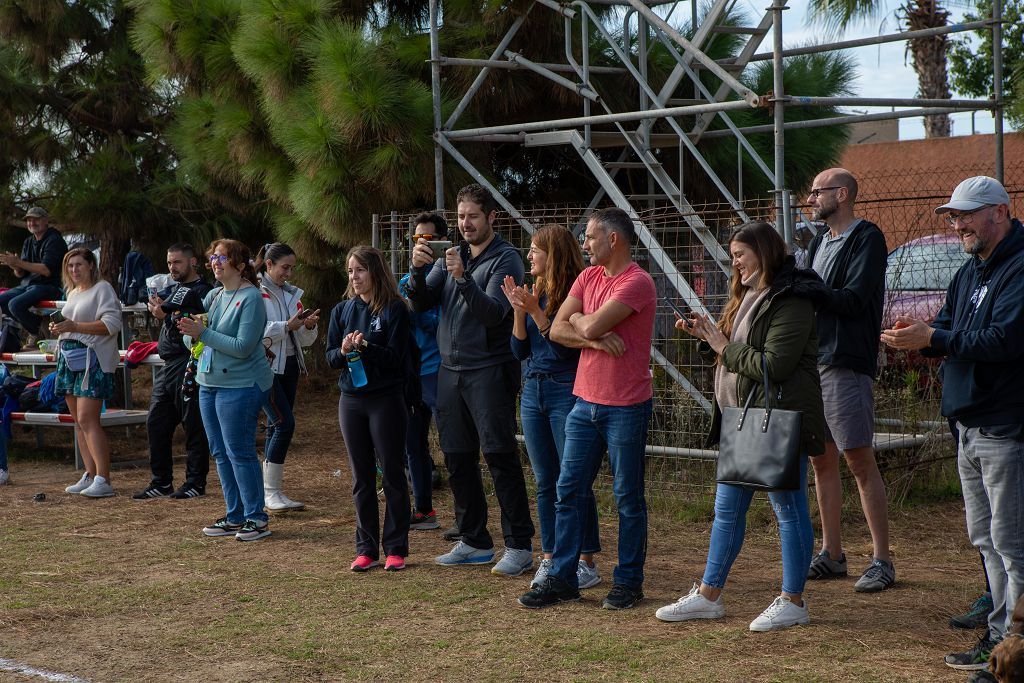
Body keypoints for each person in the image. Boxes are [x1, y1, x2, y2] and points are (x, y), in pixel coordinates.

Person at [880, 176, 1024, 676]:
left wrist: (938, 336)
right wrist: (914, 338)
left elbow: (1004, 340)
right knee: (984, 537)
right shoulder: (969, 272)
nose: (957, 223)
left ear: (1000, 212)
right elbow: (947, 326)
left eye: (966, 214)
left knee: (1011, 541)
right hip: (966, 423)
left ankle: (1013, 649)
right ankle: (998, 636)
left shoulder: (1020, 267)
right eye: (953, 216)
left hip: (1005, 424)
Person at [653, 222, 826, 631]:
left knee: (788, 509)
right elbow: (736, 349)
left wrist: (721, 346)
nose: (734, 263)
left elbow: (773, 365)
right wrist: (707, 336)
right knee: (726, 511)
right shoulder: (747, 294)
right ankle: (709, 595)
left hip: (776, 419)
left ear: (762, 253)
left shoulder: (792, 300)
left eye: (739, 254)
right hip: (742, 420)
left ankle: (793, 600)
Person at [517, 207, 655, 611]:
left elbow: (583, 324)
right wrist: (591, 336)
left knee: (627, 496)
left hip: (626, 405)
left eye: (591, 237)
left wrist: (580, 320)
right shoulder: (587, 276)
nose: (585, 244)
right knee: (567, 490)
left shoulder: (637, 282)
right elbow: (557, 331)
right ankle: (562, 577)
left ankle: (628, 582)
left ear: (614, 239)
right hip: (584, 401)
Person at [406, 184, 535, 577]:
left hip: (490, 369)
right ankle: (475, 540)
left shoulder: (505, 259)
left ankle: (519, 545)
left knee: (499, 454)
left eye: (473, 216)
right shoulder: (453, 255)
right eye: (461, 216)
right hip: (449, 370)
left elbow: (495, 314)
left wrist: (463, 279)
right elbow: (420, 301)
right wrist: (416, 268)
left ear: (491, 217)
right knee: (457, 455)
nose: (465, 224)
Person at [804, 167, 894, 593]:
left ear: (841, 195)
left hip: (845, 362)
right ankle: (832, 553)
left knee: (858, 459)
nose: (810, 199)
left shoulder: (868, 238)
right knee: (820, 459)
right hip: (815, 360)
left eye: (817, 192)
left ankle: (882, 560)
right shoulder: (819, 241)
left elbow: (855, 299)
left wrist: (804, 288)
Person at [501, 224, 602, 590]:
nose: (528, 257)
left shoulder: (575, 292)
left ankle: (586, 560)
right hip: (533, 392)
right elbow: (519, 352)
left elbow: (564, 347)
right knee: (545, 481)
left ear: (553, 254)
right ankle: (552, 556)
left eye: (534, 250)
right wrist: (518, 311)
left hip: (565, 391)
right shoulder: (536, 291)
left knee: (572, 481)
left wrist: (537, 314)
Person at [179, 239, 273, 542]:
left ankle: (256, 518)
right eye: (213, 258)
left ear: (240, 265)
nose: (215, 263)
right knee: (220, 452)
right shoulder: (214, 296)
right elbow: (197, 341)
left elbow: (244, 347)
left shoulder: (252, 298)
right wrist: (188, 332)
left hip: (242, 384)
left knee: (240, 451)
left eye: (222, 258)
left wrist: (202, 332)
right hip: (209, 383)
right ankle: (235, 515)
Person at [327, 246, 412, 572]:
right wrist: (345, 349)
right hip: (351, 401)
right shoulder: (342, 311)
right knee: (361, 476)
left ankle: (395, 547)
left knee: (391, 473)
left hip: (386, 399)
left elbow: (396, 361)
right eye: (350, 271)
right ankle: (366, 548)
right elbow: (330, 357)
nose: (355, 277)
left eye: (360, 270)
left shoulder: (395, 310)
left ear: (375, 272)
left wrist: (366, 346)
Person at [132, 243, 214, 500]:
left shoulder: (202, 291)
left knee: (193, 424)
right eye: (169, 263)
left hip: (188, 362)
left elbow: (184, 321)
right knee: (156, 421)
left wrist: (162, 314)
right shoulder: (175, 290)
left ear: (193, 262)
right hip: (167, 364)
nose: (172, 267)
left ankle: (195, 482)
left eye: (177, 262)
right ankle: (161, 481)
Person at [53, 248, 123, 498]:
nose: (74, 270)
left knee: (88, 419)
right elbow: (72, 324)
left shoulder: (102, 289)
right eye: (70, 265)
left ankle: (104, 478)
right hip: (70, 360)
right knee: (78, 421)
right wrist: (61, 327)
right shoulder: (72, 292)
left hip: (93, 361)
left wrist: (74, 325)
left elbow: (112, 325)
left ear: (91, 265)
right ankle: (90, 473)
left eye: (79, 264)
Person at [256, 242, 319, 512]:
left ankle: (272, 490)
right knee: (284, 424)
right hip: (265, 368)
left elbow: (302, 339)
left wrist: (308, 327)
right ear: (268, 265)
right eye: (284, 267)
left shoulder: (292, 294)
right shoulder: (255, 293)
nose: (289, 274)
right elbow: (256, 333)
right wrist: (286, 326)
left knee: (276, 425)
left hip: (291, 365)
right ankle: (269, 492)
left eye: (292, 268)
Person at [399, 212, 445, 531]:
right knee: (412, 443)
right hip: (413, 373)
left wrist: (415, 310)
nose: (421, 245)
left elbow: (440, 323)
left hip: (441, 371)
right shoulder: (406, 280)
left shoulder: (448, 276)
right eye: (417, 239)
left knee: (453, 443)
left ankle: (469, 519)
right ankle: (424, 509)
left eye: (428, 239)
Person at [0, 207, 69, 349]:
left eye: (36, 219)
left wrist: (18, 262)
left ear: (46, 221)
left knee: (15, 304)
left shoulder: (54, 240)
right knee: (2, 301)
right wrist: (15, 266)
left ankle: (38, 332)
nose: (32, 222)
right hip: (28, 286)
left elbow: (46, 270)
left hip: (50, 286)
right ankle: (38, 328)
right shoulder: (28, 241)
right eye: (29, 220)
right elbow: (21, 273)